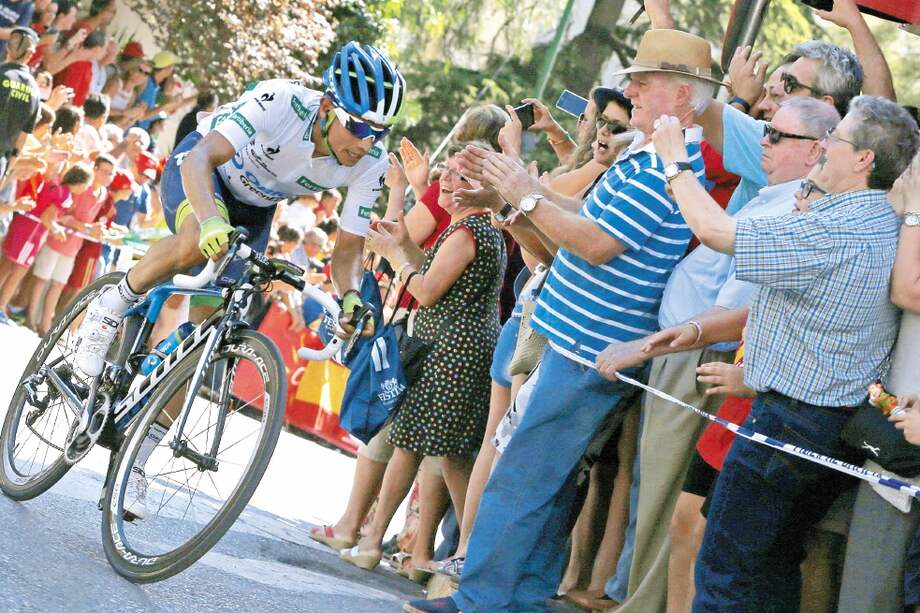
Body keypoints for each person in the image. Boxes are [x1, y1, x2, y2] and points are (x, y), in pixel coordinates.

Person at [405, 28, 716, 613]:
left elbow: (596, 243)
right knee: (546, 485)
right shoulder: (653, 158)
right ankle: (515, 600)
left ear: (681, 94)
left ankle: (480, 601)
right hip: (582, 342)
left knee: (522, 479)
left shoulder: (661, 167)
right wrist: (518, 194)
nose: (632, 91)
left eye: (644, 83)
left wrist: (522, 193)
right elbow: (581, 216)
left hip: (584, 346)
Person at [71, 41, 405, 517]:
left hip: (255, 207)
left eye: (379, 131)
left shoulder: (370, 162)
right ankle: (111, 308)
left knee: (203, 340)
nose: (367, 141)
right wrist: (209, 221)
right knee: (191, 242)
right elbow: (203, 157)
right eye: (358, 126)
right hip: (204, 169)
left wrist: (350, 295)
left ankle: (136, 461)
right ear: (329, 107)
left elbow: (348, 252)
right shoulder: (281, 103)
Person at [649, 95, 919, 611]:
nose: (824, 148)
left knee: (727, 572)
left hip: (791, 426)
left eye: (836, 139)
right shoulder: (875, 217)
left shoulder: (834, 227)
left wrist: (674, 162)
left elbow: (714, 231)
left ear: (864, 159)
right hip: (822, 424)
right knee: (769, 568)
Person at [594, 97, 839, 613]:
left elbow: (716, 244)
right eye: (766, 132)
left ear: (819, 150)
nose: (764, 142)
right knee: (687, 521)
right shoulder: (778, 194)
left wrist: (674, 162)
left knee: (729, 550)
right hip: (740, 378)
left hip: (768, 396)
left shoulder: (815, 211)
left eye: (777, 135)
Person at [342, 143, 507, 573]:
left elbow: (427, 290)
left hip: (451, 353)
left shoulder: (471, 230)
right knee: (443, 455)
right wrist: (403, 246)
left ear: (484, 191)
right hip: (453, 350)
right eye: (448, 173)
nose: (448, 183)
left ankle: (389, 544)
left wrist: (397, 256)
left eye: (462, 178)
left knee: (425, 450)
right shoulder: (467, 228)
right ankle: (444, 553)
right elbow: (429, 269)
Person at [837, 151, 920, 612]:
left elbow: (908, 290)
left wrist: (915, 210)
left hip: (911, 444)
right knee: (864, 591)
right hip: (893, 441)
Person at [28, 152, 113, 333]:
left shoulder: (103, 194)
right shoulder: (83, 187)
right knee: (41, 279)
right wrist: (86, 228)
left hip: (74, 246)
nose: (107, 177)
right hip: (56, 238)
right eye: (105, 172)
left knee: (58, 284)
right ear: (95, 169)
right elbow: (65, 217)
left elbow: (83, 222)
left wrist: (92, 228)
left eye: (110, 173)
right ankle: (30, 319)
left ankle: (45, 325)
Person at [0, 26, 39, 183]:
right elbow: (22, 138)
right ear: (30, 54)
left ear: (8, 47)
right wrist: (6, 171)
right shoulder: (34, 91)